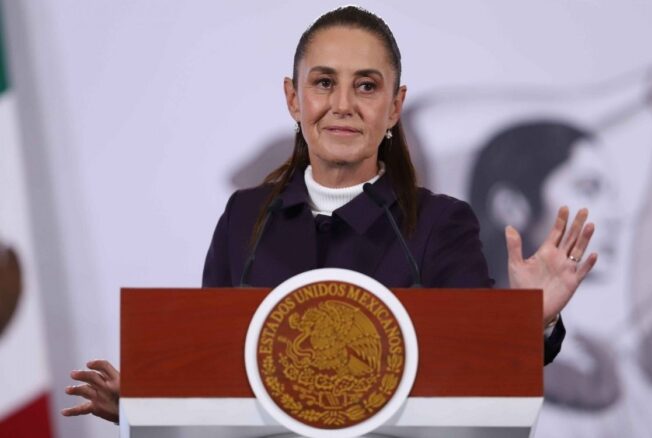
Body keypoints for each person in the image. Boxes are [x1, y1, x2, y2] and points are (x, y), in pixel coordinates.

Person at [61, 6, 597, 425]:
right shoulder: (245, 218)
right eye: (323, 83)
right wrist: (145, 407)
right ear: (294, 99)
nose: (343, 104)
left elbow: (478, 371)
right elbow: (214, 375)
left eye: (366, 85)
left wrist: (532, 321)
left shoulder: (439, 223)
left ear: (395, 106)